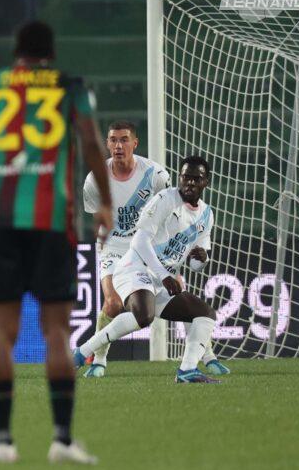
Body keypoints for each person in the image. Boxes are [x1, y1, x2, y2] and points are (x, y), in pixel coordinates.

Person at [0, 20, 113, 465]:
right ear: (50, 54)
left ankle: (2, 441)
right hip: (53, 222)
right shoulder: (69, 87)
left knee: (1, 330)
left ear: (15, 53)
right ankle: (62, 439)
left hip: (1, 223)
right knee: (56, 332)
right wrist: (107, 203)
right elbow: (93, 143)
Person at [73, 156, 223, 384]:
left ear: (206, 182)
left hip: (160, 280)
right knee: (144, 316)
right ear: (180, 178)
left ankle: (188, 370)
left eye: (196, 178)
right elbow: (139, 242)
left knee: (206, 314)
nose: (190, 183)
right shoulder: (164, 199)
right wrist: (165, 276)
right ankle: (83, 352)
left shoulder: (206, 215)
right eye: (186, 177)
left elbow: (196, 264)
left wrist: (201, 258)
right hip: (135, 267)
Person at [79, 121, 171, 377]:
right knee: (112, 304)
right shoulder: (95, 179)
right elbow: (99, 219)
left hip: (146, 248)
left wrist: (167, 258)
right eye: (113, 140)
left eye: (124, 139)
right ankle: (98, 360)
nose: (118, 146)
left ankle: (204, 354)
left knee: (177, 299)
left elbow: (168, 215)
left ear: (134, 143)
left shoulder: (155, 175)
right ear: (107, 144)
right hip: (112, 247)